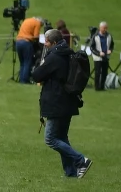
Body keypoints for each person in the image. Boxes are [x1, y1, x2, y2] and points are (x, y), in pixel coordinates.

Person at [31, 28, 92, 179]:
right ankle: (70, 172)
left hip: (57, 103)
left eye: (47, 42)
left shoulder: (54, 57)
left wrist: (43, 62)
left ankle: (81, 160)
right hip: (68, 102)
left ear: (55, 42)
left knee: (50, 139)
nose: (45, 44)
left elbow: (36, 75)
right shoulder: (68, 53)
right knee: (62, 137)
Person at [16, 14, 44, 84]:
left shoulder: (27, 20)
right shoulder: (37, 23)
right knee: (27, 62)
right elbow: (36, 36)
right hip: (26, 43)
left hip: (18, 42)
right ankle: (25, 80)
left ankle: (21, 79)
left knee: (22, 62)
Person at [90, 22, 113, 92]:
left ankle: (102, 86)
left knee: (104, 72)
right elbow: (92, 47)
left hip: (106, 56)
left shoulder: (109, 36)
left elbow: (112, 45)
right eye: (104, 28)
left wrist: (110, 50)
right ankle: (97, 87)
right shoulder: (95, 36)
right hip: (98, 58)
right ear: (100, 28)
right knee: (97, 72)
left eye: (106, 28)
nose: (105, 30)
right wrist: (98, 53)